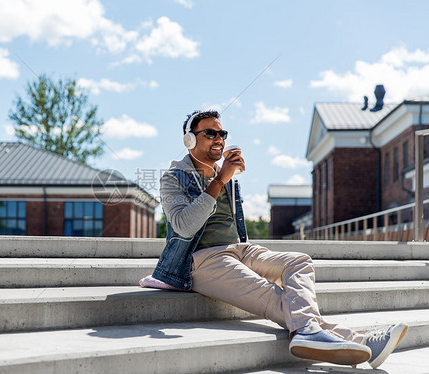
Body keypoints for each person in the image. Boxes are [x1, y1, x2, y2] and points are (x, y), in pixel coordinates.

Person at [142, 109, 408, 368]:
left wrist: (223, 179)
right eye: (210, 133)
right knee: (274, 295)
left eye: (222, 132)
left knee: (299, 262)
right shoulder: (173, 178)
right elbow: (185, 227)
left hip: (239, 250)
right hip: (201, 260)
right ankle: (359, 342)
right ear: (190, 139)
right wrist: (220, 181)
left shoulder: (224, 176)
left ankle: (311, 333)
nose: (219, 138)